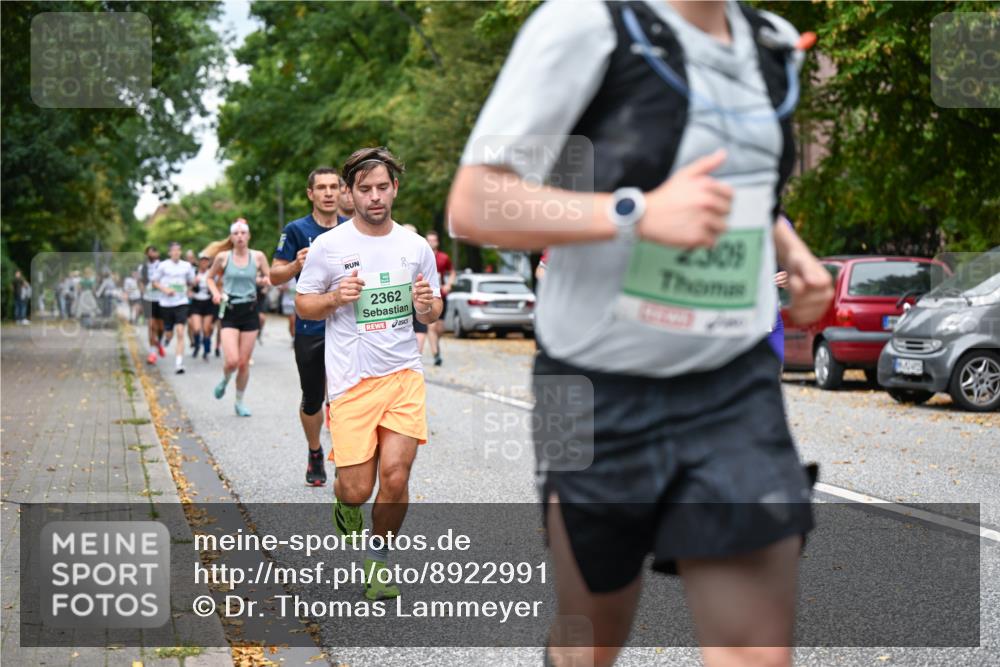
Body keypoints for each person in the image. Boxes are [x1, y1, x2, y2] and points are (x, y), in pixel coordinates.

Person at [448, 2, 833, 666]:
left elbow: (737, 185)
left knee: (756, 654)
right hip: (592, 390)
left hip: (732, 385)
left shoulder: (766, 40)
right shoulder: (582, 26)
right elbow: (476, 202)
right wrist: (636, 211)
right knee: (588, 644)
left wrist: (791, 250)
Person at [297, 147, 442, 601]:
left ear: (395, 189)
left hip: (402, 374)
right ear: (349, 194)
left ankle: (378, 563)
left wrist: (425, 306)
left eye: (383, 187)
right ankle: (345, 504)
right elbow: (304, 303)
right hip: (350, 382)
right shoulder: (329, 247)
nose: (375, 197)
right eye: (365, 189)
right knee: (357, 489)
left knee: (396, 477)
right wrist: (336, 297)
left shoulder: (415, 247)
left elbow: (434, 307)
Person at [270, 167, 349, 487]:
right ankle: (315, 450)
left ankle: (347, 456)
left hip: (347, 324)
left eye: (334, 187)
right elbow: (275, 276)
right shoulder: (296, 230)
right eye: (322, 187)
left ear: (343, 192)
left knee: (347, 395)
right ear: (311, 194)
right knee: (313, 397)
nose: (329, 193)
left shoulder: (353, 229)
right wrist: (295, 265)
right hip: (310, 326)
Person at [206, 219, 270, 416]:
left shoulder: (258, 257)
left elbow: (269, 278)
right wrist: (215, 293)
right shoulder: (223, 257)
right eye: (236, 233)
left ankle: (239, 402)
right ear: (231, 237)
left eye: (243, 233)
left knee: (243, 363)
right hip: (230, 310)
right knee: (232, 361)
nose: (240, 236)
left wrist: (263, 282)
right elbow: (209, 277)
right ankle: (225, 380)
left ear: (249, 236)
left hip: (250, 311)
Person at [152, 242, 195, 374]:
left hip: (181, 302)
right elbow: (154, 282)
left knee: (181, 332)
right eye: (173, 251)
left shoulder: (186, 266)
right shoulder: (163, 265)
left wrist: (189, 289)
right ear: (169, 253)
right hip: (166, 303)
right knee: (169, 333)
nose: (176, 253)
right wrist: (165, 289)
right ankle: (167, 338)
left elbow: (191, 282)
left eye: (178, 250)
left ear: (180, 252)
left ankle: (179, 363)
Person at [424, 231, 455, 366]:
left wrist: (448, 284)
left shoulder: (443, 257)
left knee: (440, 327)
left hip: (441, 295)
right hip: (428, 295)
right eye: (429, 240)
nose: (431, 243)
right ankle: (436, 354)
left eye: (434, 240)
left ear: (437, 242)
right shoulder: (422, 256)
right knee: (432, 326)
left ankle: (437, 343)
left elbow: (452, 272)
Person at [141, 246, 165, 364]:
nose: (152, 254)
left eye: (154, 251)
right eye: (150, 252)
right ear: (146, 254)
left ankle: (159, 343)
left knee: (160, 327)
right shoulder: (143, 267)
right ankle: (152, 352)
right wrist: (142, 292)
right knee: (151, 326)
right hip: (148, 299)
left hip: (161, 300)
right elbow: (140, 282)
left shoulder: (162, 266)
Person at [189, 255, 216, 360]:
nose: (204, 263)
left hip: (208, 302)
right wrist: (192, 285)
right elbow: (188, 287)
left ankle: (206, 350)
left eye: (206, 261)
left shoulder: (212, 273)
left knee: (206, 329)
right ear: (199, 262)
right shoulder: (193, 273)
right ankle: (196, 346)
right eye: (202, 261)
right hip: (196, 302)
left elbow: (218, 285)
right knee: (196, 328)